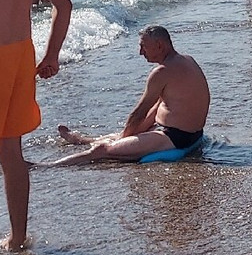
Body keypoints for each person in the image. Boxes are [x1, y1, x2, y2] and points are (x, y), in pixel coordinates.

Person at [0, 0, 71, 250]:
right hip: (19, 56)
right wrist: (52, 54)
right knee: (11, 153)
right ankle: (18, 237)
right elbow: (63, 5)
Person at [54, 26, 210, 165]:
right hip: (190, 132)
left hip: (176, 138)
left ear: (159, 45)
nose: (140, 52)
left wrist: (125, 136)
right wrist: (131, 133)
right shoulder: (187, 60)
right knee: (124, 134)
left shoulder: (161, 72)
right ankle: (83, 140)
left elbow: (139, 112)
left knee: (102, 150)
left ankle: (48, 166)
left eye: (144, 46)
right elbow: (162, 105)